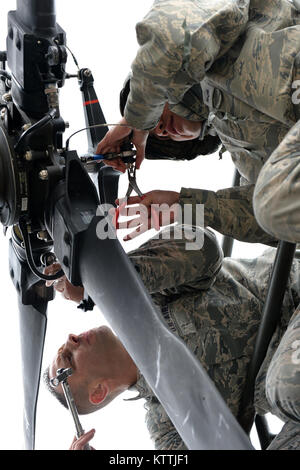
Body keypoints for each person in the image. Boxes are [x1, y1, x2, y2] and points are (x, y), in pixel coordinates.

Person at [44, 226, 300, 450]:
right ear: (99, 391)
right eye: (69, 358)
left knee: (285, 387)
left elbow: (203, 245)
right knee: (285, 388)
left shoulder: (146, 298)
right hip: (291, 383)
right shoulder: (167, 424)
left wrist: (99, 282)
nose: (71, 339)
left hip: (292, 284)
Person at [96, 0, 300, 245]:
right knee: (270, 207)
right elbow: (273, 225)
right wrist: (182, 204)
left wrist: (137, 121)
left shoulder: (221, 46)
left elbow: (171, 34)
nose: (159, 130)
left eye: (155, 122)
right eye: (161, 139)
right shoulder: (245, 159)